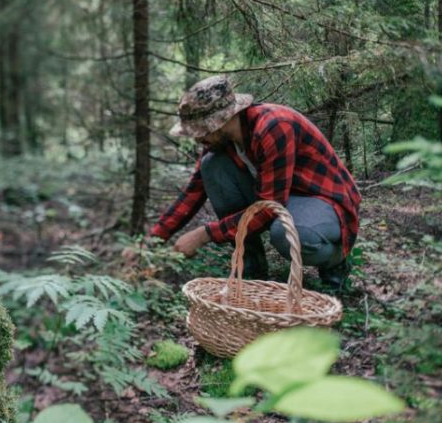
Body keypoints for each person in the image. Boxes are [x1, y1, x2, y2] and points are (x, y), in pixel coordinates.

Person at [129, 75, 361, 286]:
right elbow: (192, 195)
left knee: (286, 234)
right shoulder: (220, 143)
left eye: (199, 130)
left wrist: (205, 234)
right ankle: (250, 263)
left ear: (217, 122)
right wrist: (151, 241)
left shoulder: (274, 126)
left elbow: (270, 206)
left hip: (322, 199)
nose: (197, 138)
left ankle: (335, 261)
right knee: (212, 165)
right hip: (280, 197)